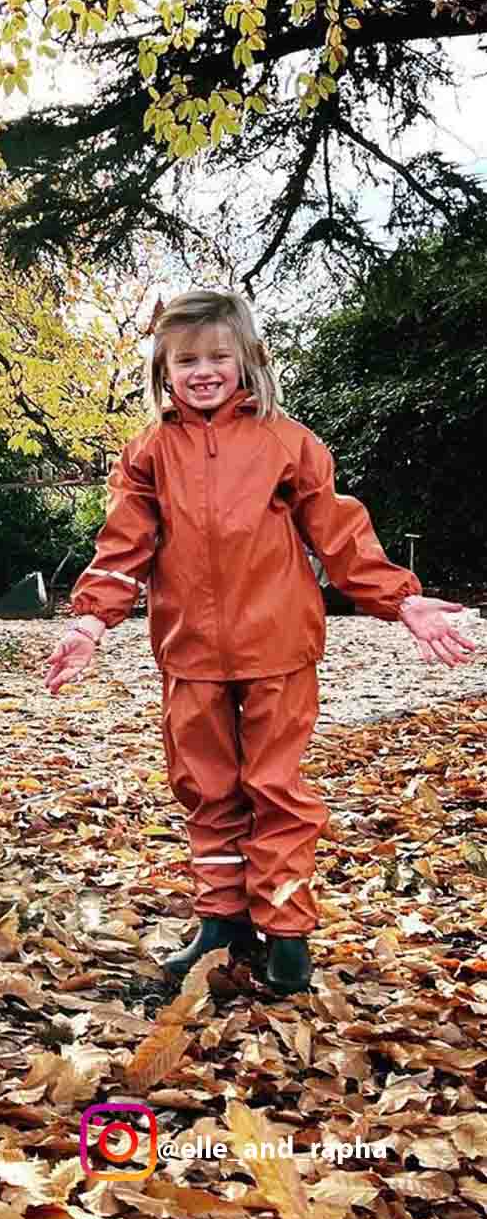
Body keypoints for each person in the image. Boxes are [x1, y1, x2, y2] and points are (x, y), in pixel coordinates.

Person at [45, 290, 474, 995]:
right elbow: (124, 545)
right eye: (187, 360)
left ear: (247, 360)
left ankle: (287, 935)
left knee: (274, 790)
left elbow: (339, 534)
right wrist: (91, 620)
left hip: (278, 648)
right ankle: (221, 926)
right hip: (189, 655)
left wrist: (402, 601)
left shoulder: (287, 442)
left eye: (218, 356)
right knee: (207, 791)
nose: (203, 371)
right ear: (164, 370)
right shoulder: (149, 453)